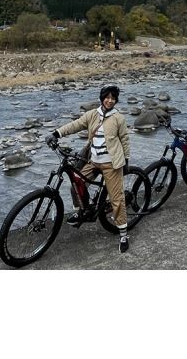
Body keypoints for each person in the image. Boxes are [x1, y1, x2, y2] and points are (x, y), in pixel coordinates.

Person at [46, 84, 131, 252]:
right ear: (102, 98)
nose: (110, 100)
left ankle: (123, 234)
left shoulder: (118, 118)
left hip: (111, 164)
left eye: (113, 98)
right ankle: (81, 212)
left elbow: (125, 139)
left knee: (116, 200)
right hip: (93, 161)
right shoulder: (92, 115)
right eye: (107, 97)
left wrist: (126, 160)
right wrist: (56, 133)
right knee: (75, 184)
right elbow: (75, 124)